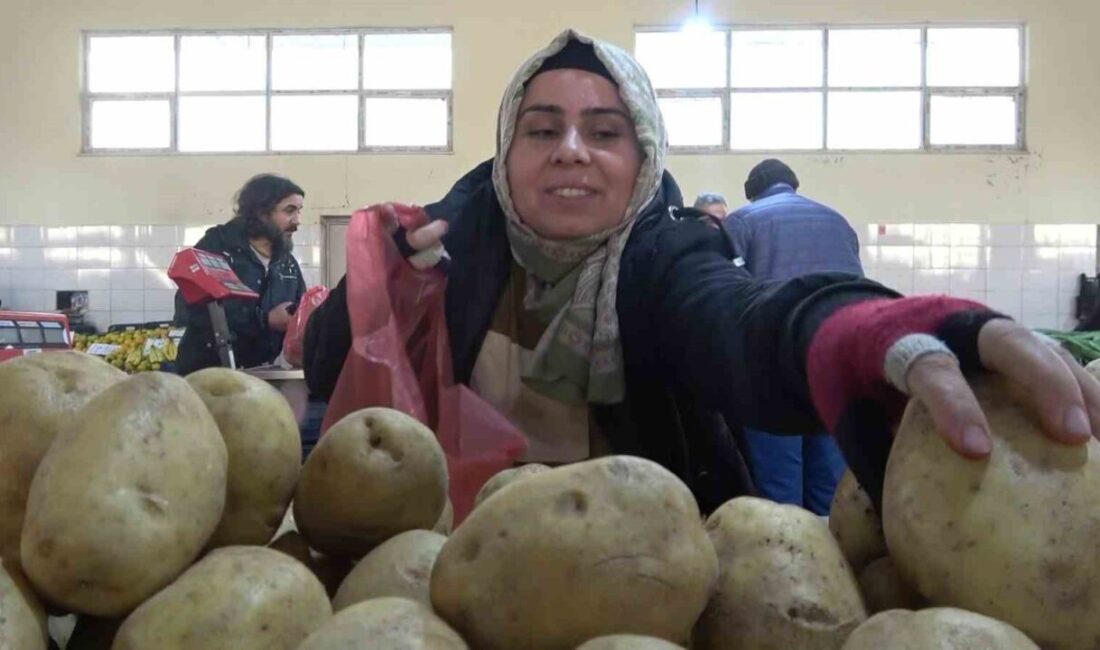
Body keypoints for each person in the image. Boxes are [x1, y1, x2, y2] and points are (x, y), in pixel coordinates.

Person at [304, 30, 1100, 514]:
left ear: (643, 158)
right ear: (507, 153)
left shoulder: (662, 253)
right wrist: (382, 290)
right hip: (457, 571)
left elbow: (740, 321)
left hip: (649, 574)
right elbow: (330, 370)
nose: (571, 150)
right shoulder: (456, 244)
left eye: (605, 131)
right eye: (542, 129)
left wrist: (869, 332)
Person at [725, 159, 863, 514]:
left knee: (779, 480)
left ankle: (787, 557)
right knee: (830, 479)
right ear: (793, 185)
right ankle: (828, 558)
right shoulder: (837, 221)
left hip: (773, 363)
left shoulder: (743, 220)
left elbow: (726, 297)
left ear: (752, 192)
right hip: (835, 359)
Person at [175, 173, 307, 375]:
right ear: (262, 212)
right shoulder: (218, 246)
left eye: (299, 211)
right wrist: (265, 320)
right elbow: (188, 308)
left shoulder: (286, 263)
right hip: (208, 377)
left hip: (260, 376)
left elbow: (301, 310)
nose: (297, 221)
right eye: (289, 211)